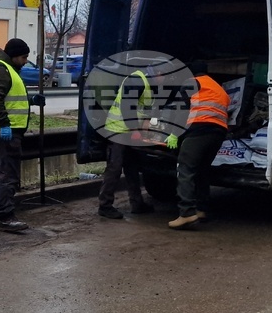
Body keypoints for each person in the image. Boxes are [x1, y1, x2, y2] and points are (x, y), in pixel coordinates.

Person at [0, 38, 46, 232]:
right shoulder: (1, 69)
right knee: (6, 173)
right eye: (23, 57)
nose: (25, 61)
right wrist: (4, 124)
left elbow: (8, 99)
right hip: (1, 132)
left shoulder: (6, 68)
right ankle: (6, 216)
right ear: (14, 55)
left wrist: (30, 100)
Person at [166, 61, 229, 229]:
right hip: (218, 134)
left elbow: (180, 109)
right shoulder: (218, 87)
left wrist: (173, 133)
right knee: (202, 170)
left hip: (198, 131)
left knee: (185, 169)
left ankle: (186, 213)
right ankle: (201, 209)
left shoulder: (191, 82)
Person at [97, 65, 156, 219]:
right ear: (159, 72)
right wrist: (135, 130)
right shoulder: (137, 80)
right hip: (118, 130)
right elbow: (127, 106)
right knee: (115, 168)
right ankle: (105, 205)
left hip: (128, 131)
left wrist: (147, 123)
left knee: (132, 167)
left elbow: (146, 108)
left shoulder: (149, 83)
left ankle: (137, 203)